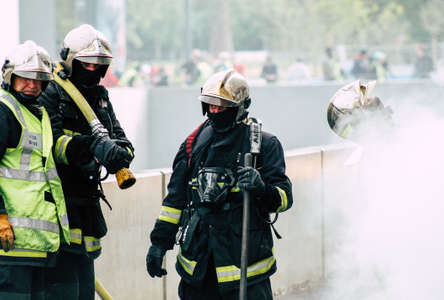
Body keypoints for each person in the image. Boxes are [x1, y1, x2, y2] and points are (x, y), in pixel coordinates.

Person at [146, 69, 293, 299]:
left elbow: (285, 198)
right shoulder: (194, 144)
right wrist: (158, 244)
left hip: (246, 269)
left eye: (222, 106)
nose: (214, 111)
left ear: (241, 106)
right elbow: (175, 200)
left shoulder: (264, 145)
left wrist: (262, 189)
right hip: (198, 266)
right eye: (210, 105)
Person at [39, 24, 134, 299]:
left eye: (99, 65)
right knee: (63, 287)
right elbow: (53, 143)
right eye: (87, 65)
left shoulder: (101, 97)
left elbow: (122, 140)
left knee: (83, 287)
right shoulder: (52, 91)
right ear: (71, 60)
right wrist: (91, 146)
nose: (93, 71)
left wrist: (118, 153)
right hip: (60, 202)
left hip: (87, 205)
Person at [0, 41, 70, 299]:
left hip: (35, 247)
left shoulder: (37, 114)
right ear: (11, 77)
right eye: (26, 78)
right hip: (9, 248)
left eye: (39, 79)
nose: (33, 85)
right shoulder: (4, 110)